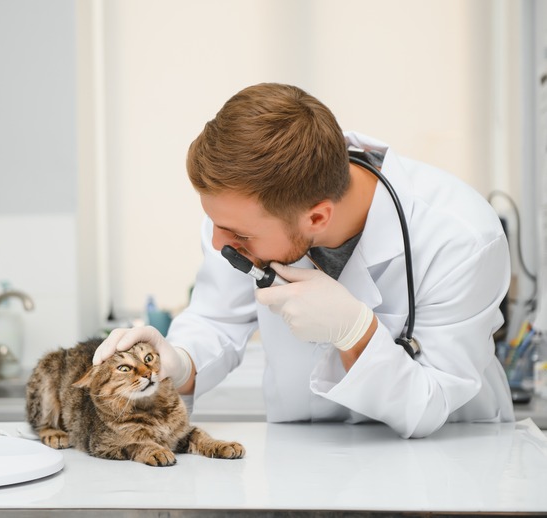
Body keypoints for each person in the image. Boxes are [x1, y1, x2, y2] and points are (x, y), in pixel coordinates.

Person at [93, 83, 514, 438]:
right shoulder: (241, 213)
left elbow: (431, 402)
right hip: (302, 458)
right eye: (214, 223)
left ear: (317, 217)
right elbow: (215, 322)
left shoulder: (461, 237)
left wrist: (355, 332)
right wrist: (179, 362)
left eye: (239, 235)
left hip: (449, 459)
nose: (221, 242)